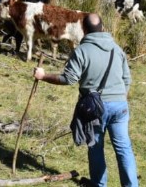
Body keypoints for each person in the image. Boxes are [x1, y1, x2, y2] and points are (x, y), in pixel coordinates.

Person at [33, 14, 138, 187]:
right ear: (102, 28)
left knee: (95, 147)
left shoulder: (82, 51)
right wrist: (119, 98)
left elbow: (69, 79)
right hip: (121, 106)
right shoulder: (117, 49)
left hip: (95, 109)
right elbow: (127, 79)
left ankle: (98, 184)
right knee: (124, 149)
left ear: (84, 29)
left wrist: (43, 76)